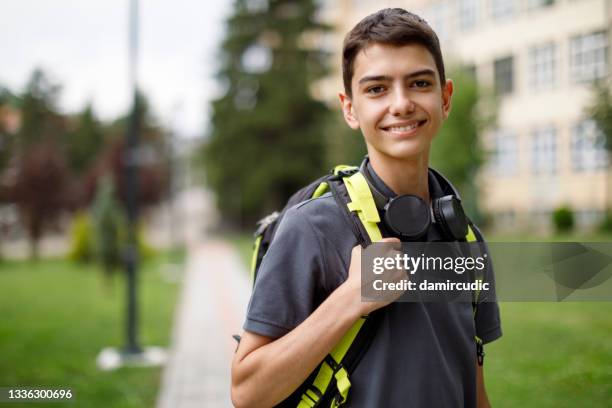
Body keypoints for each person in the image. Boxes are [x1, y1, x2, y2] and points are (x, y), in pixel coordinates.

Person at [231, 8, 502, 408]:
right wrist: (351, 298)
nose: (402, 104)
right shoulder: (312, 228)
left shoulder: (465, 238)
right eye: (377, 89)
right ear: (349, 108)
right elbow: (247, 392)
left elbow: (473, 387)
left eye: (419, 83)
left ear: (445, 98)